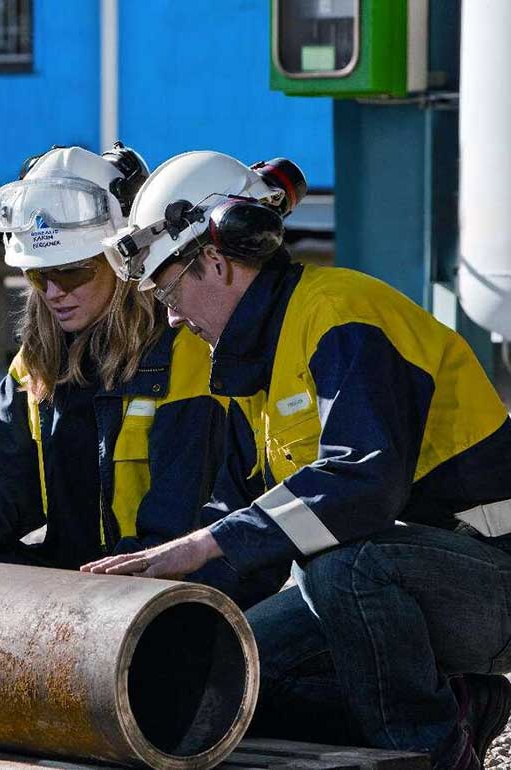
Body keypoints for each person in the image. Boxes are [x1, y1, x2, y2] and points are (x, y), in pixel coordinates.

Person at [83, 149, 511, 769]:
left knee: (345, 567)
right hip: (414, 585)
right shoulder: (252, 362)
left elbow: (362, 485)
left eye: (169, 290)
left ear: (216, 263)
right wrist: (164, 623)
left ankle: (435, 754)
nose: (171, 317)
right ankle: (465, 704)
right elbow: (238, 527)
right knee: (227, 676)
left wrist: (200, 545)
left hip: (491, 580)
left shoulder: (340, 314)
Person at [0, 145, 271, 601]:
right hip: (83, 590)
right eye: (38, 276)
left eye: (72, 272)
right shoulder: (35, 367)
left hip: (167, 596)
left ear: (122, 262)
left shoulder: (186, 352)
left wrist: (84, 600)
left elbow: (180, 526)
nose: (54, 292)